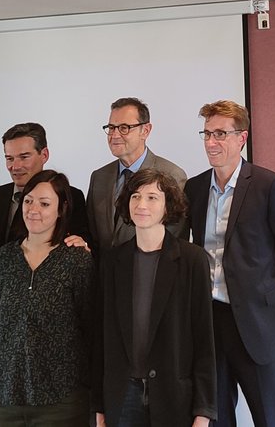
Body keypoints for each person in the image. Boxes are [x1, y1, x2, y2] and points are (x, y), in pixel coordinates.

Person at [184, 101, 275, 427]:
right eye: (207, 134)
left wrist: (255, 287)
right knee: (216, 418)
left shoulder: (270, 186)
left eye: (220, 133)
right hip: (210, 323)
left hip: (259, 324)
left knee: (271, 418)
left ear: (242, 138)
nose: (211, 142)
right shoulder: (194, 188)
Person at [93, 169, 216, 427]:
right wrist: (99, 407)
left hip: (174, 395)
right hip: (122, 395)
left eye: (152, 197)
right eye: (135, 196)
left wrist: (203, 412)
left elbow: (204, 339)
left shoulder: (192, 260)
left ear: (167, 206)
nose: (141, 204)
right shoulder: (113, 261)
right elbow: (102, 337)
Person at [0, 169, 93, 427]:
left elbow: (89, 325)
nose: (33, 209)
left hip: (61, 400)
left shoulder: (77, 259)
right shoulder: (4, 257)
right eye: (28, 201)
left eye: (45, 203)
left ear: (61, 209)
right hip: (7, 396)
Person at [87, 98, 187, 254]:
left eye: (124, 128)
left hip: (150, 272)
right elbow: (93, 235)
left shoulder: (172, 175)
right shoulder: (99, 177)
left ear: (145, 131)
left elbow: (174, 238)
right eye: (111, 128)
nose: (115, 135)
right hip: (105, 274)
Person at [0, 123, 89, 249]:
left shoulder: (70, 196)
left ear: (44, 155)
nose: (15, 167)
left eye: (24, 157)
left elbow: (83, 244)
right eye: (10, 159)